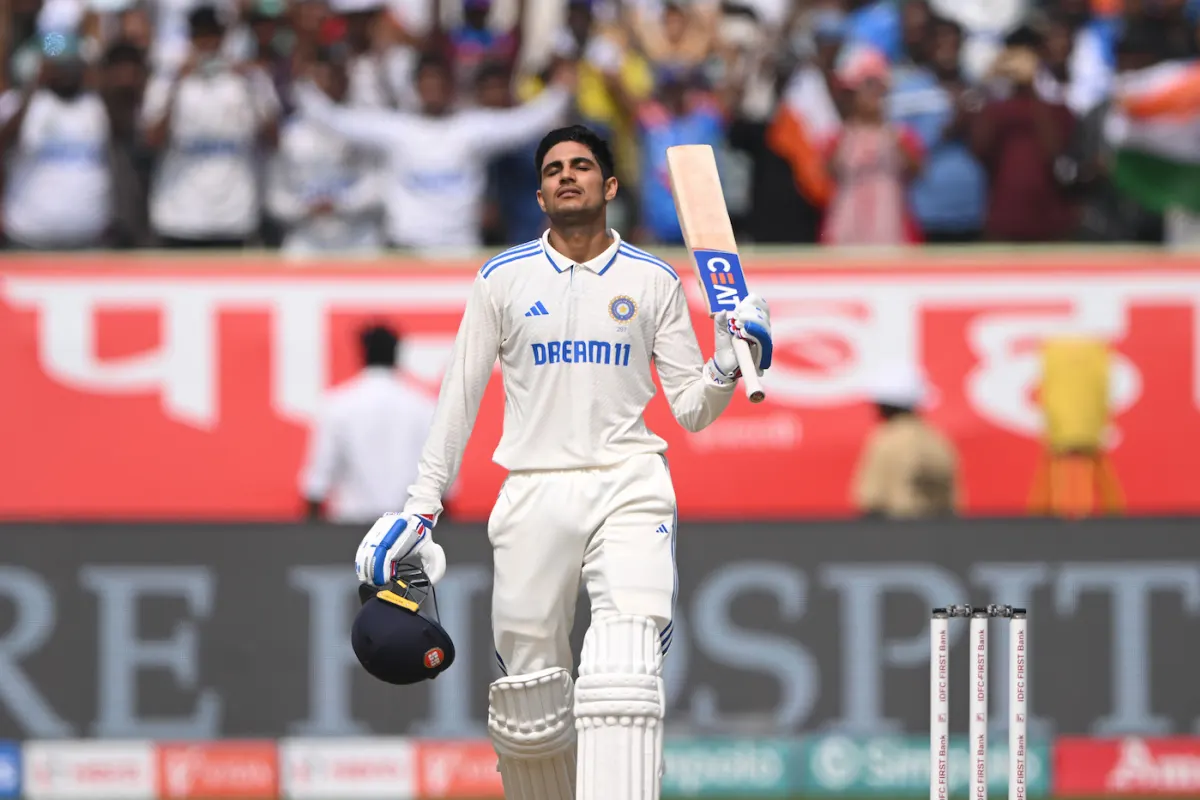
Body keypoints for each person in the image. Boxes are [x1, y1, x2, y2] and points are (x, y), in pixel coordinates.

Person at [352, 124, 773, 800]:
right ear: (540, 196)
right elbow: (459, 397)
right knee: (529, 707)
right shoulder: (502, 279)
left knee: (624, 669)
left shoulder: (653, 280)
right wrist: (421, 507)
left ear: (610, 186)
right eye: (553, 170)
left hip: (629, 483)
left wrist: (726, 365)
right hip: (533, 490)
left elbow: (691, 409)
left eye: (581, 166)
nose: (566, 175)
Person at [291, 53, 575, 251]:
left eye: (439, 83)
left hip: (460, 250)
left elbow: (524, 123)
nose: (433, 90)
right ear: (416, 87)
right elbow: (336, 121)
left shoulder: (471, 129)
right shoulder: (397, 130)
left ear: (451, 87)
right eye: (426, 83)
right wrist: (302, 85)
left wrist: (560, 90)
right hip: (407, 249)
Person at [299, 323, 437, 523]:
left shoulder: (338, 405)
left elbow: (318, 480)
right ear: (396, 353)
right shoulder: (423, 406)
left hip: (350, 527)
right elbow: (441, 481)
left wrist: (307, 533)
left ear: (363, 352)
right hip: (408, 527)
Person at [852, 362, 960, 518]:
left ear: (884, 404)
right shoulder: (937, 441)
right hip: (938, 531)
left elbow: (871, 499)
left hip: (896, 529)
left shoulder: (887, 440)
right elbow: (951, 501)